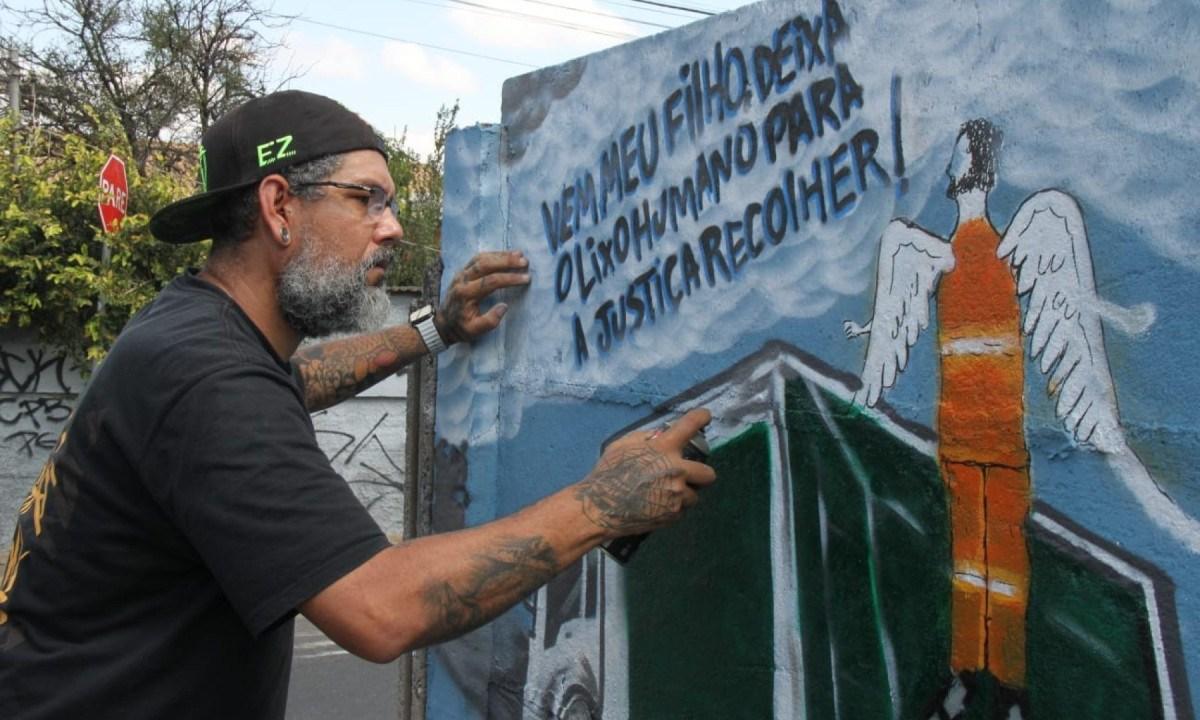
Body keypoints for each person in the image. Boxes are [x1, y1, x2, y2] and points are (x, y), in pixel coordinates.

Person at [0, 90, 715, 718]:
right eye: (365, 198)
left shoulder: (195, 330)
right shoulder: (205, 377)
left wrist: (436, 329)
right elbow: (381, 609)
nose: (393, 225)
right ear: (279, 206)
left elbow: (297, 380)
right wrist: (601, 504)